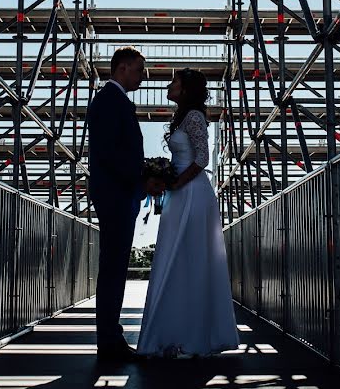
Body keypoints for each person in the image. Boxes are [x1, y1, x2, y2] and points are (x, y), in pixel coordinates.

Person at [137, 68, 239, 358]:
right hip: (180, 192)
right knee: (175, 257)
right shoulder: (182, 117)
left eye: (174, 82)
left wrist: (175, 181)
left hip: (193, 193)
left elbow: (203, 158)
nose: (169, 85)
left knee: (191, 258)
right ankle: (175, 332)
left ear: (185, 89)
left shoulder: (194, 117)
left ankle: (192, 335)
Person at [87, 46, 164, 362]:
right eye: (139, 69)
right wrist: (141, 176)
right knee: (113, 269)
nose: (142, 76)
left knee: (115, 267)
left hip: (118, 192)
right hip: (116, 193)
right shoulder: (109, 101)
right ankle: (109, 339)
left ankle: (110, 337)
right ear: (122, 69)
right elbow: (109, 153)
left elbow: (113, 151)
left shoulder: (111, 101)